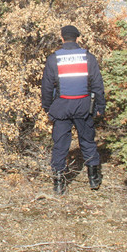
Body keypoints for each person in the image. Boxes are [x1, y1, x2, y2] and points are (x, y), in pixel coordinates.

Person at [41, 25, 106, 194]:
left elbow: (47, 87)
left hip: (61, 107)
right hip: (83, 106)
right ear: (77, 38)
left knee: (60, 145)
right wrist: (100, 106)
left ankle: (59, 185)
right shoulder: (88, 58)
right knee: (87, 141)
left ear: (62, 38)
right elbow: (98, 85)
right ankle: (94, 180)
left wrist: (48, 107)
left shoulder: (53, 59)